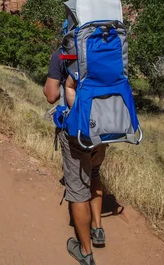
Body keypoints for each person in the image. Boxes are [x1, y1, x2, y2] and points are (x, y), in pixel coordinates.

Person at [44, 49, 106, 265]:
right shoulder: (107, 46)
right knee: (95, 172)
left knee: (77, 188)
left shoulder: (62, 53)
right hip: (103, 125)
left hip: (76, 129)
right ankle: (98, 229)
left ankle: (85, 252)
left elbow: (51, 96)